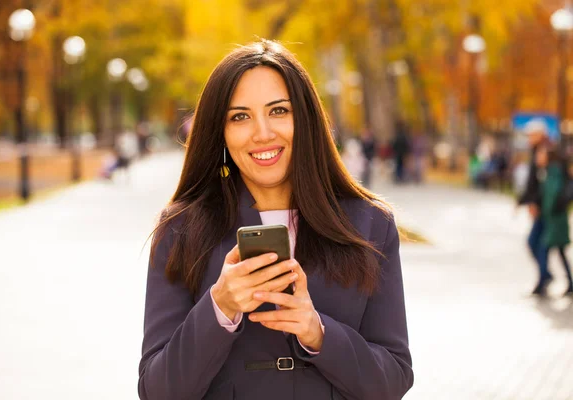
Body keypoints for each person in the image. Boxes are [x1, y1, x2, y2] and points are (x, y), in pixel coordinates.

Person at [139, 40, 413, 400]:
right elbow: (158, 391)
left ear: (306, 119)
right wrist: (220, 306)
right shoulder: (180, 230)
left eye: (279, 111)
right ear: (219, 132)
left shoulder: (370, 224)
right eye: (240, 117)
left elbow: (393, 380)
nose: (263, 133)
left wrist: (318, 333)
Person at [517, 119, 552, 295]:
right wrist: (522, 201)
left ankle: (545, 277)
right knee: (540, 244)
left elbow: (543, 184)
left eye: (532, 134)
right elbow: (532, 182)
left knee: (536, 243)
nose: (529, 138)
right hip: (541, 206)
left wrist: (534, 203)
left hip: (545, 208)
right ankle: (545, 277)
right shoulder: (537, 151)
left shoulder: (545, 152)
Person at [535, 144, 573, 295]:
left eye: (541, 154)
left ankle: (543, 279)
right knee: (560, 251)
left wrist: (546, 211)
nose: (538, 157)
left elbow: (553, 194)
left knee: (543, 248)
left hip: (555, 219)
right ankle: (569, 282)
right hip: (555, 218)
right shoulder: (549, 171)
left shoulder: (554, 172)